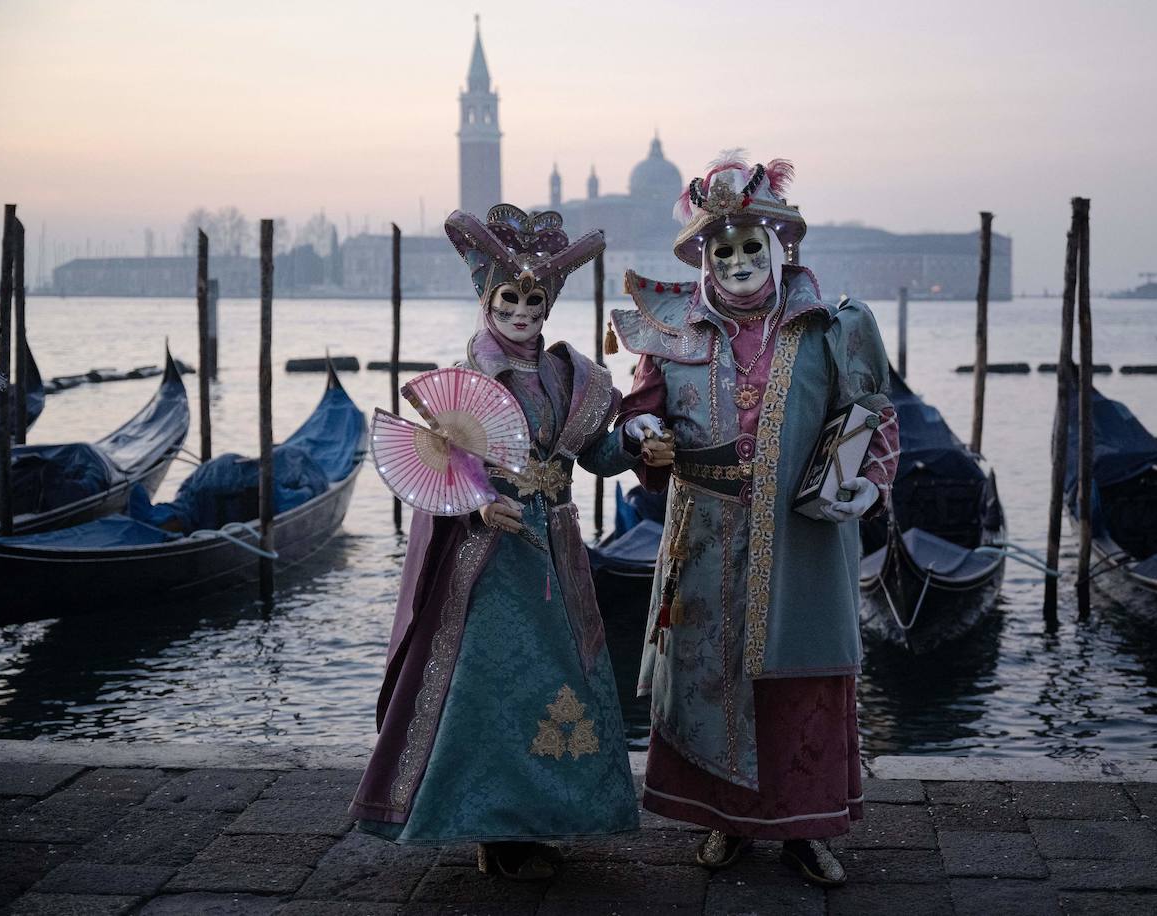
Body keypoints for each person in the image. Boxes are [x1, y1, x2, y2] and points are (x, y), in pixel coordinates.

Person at [351, 204, 673, 880]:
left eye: (534, 297)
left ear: (548, 302)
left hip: (556, 553)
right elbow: (436, 475)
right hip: (488, 566)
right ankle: (493, 833)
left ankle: (545, 820)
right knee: (490, 693)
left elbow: (597, 454)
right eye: (510, 297)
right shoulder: (465, 381)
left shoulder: (569, 378)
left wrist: (639, 442)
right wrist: (478, 503)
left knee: (559, 685)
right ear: (488, 301)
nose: (523, 310)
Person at [610, 152, 900, 886]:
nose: (738, 261)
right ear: (706, 258)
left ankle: (805, 831)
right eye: (724, 249)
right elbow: (640, 411)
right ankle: (725, 825)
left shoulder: (829, 329)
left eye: (749, 247)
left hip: (802, 538)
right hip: (703, 537)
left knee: (795, 681)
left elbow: (873, 417)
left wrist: (867, 481)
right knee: (711, 679)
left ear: (777, 250)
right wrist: (642, 436)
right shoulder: (671, 331)